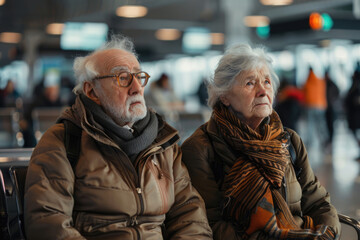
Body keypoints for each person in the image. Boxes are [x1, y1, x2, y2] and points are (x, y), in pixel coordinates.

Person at [24, 34, 212, 240]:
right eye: (123, 78)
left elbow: (190, 216)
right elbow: (49, 224)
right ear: (92, 91)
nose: (136, 88)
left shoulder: (163, 143)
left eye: (139, 77)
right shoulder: (63, 141)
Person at [181, 44, 340, 239]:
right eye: (250, 83)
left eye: (266, 82)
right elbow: (208, 225)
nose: (263, 91)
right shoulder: (200, 149)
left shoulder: (289, 141)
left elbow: (318, 203)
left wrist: (326, 233)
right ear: (224, 96)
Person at [302, 67, 329, 148]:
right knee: (321, 124)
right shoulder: (320, 81)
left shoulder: (307, 82)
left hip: (310, 106)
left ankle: (309, 142)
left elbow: (303, 93)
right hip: (321, 106)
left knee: (310, 124)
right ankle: (325, 141)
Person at [345, 63, 360, 161]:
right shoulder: (354, 85)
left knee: (356, 133)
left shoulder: (356, 86)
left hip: (356, 115)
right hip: (353, 115)